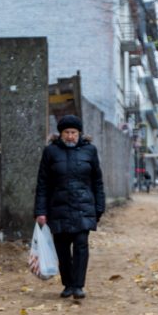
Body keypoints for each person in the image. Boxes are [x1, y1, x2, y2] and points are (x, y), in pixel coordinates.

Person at [34, 115, 106, 300]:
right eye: (66, 132)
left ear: (79, 133)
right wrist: (40, 211)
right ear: (61, 134)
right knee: (63, 248)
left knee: (81, 246)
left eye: (73, 132)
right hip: (58, 208)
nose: (70, 136)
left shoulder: (90, 151)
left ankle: (78, 286)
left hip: (84, 207)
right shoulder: (50, 152)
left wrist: (99, 207)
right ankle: (67, 284)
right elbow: (43, 183)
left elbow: (97, 181)